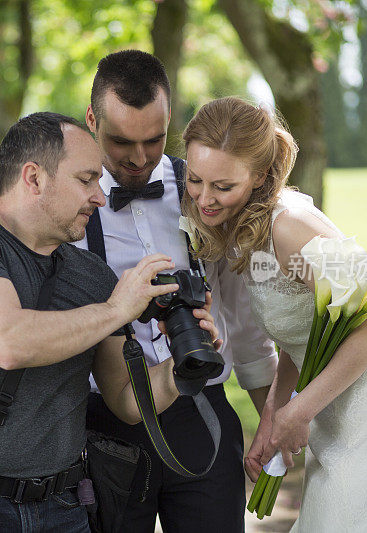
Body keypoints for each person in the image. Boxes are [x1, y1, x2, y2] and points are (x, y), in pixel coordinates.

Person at [0, 111, 220, 532]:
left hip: (65, 508)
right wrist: (116, 310)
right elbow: (9, 342)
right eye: (86, 179)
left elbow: (127, 401)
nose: (99, 196)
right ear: (34, 178)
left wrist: (184, 366)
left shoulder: (92, 275)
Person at [181, 96, 367, 531]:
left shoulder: (290, 225)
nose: (205, 199)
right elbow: (299, 339)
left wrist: (298, 414)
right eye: (194, 180)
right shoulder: (246, 230)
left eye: (223, 187)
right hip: (336, 428)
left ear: (260, 176)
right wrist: (272, 420)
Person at [74, 50, 279, 533]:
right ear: (91, 119)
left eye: (154, 139)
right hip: (105, 424)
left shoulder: (204, 191)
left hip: (201, 409)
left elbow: (247, 327)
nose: (140, 158)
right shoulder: (70, 202)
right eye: (121, 141)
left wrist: (270, 423)